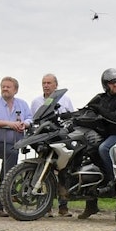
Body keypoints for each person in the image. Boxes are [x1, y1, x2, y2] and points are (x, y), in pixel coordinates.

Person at [76, 68, 116, 220]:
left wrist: (100, 110)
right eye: (113, 83)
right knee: (85, 156)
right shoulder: (101, 98)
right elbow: (86, 110)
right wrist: (71, 116)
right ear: (105, 84)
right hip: (103, 134)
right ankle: (91, 205)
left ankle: (112, 179)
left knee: (104, 148)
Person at [0, 76, 31, 217]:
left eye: (8, 86)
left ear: (15, 90)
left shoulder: (22, 104)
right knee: (11, 157)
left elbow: (30, 118)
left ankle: (1, 204)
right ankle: (9, 191)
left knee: (7, 169)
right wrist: (11, 124)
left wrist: (25, 124)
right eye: (3, 86)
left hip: (16, 143)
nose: (5, 89)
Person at [36, 73, 75, 215]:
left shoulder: (66, 100)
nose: (46, 85)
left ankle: (63, 207)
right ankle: (45, 207)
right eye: (44, 83)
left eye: (49, 83)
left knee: (63, 171)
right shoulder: (36, 101)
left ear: (56, 85)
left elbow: (71, 117)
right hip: (44, 141)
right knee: (44, 172)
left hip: (60, 139)